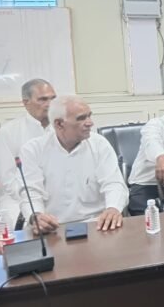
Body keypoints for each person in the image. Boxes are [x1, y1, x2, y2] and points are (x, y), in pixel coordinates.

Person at [19, 95, 128, 233]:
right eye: (81, 118)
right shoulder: (33, 150)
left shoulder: (99, 144)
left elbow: (114, 183)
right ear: (59, 124)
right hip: (53, 228)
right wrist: (37, 217)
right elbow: (30, 192)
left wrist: (113, 208)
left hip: (96, 225)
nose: (90, 123)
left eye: (89, 116)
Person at [0, 78, 57, 228]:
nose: (50, 104)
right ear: (26, 102)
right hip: (17, 198)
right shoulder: (8, 132)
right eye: (43, 99)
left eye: (53, 98)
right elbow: (8, 179)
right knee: (24, 224)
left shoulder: (62, 128)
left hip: (57, 195)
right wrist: (34, 200)